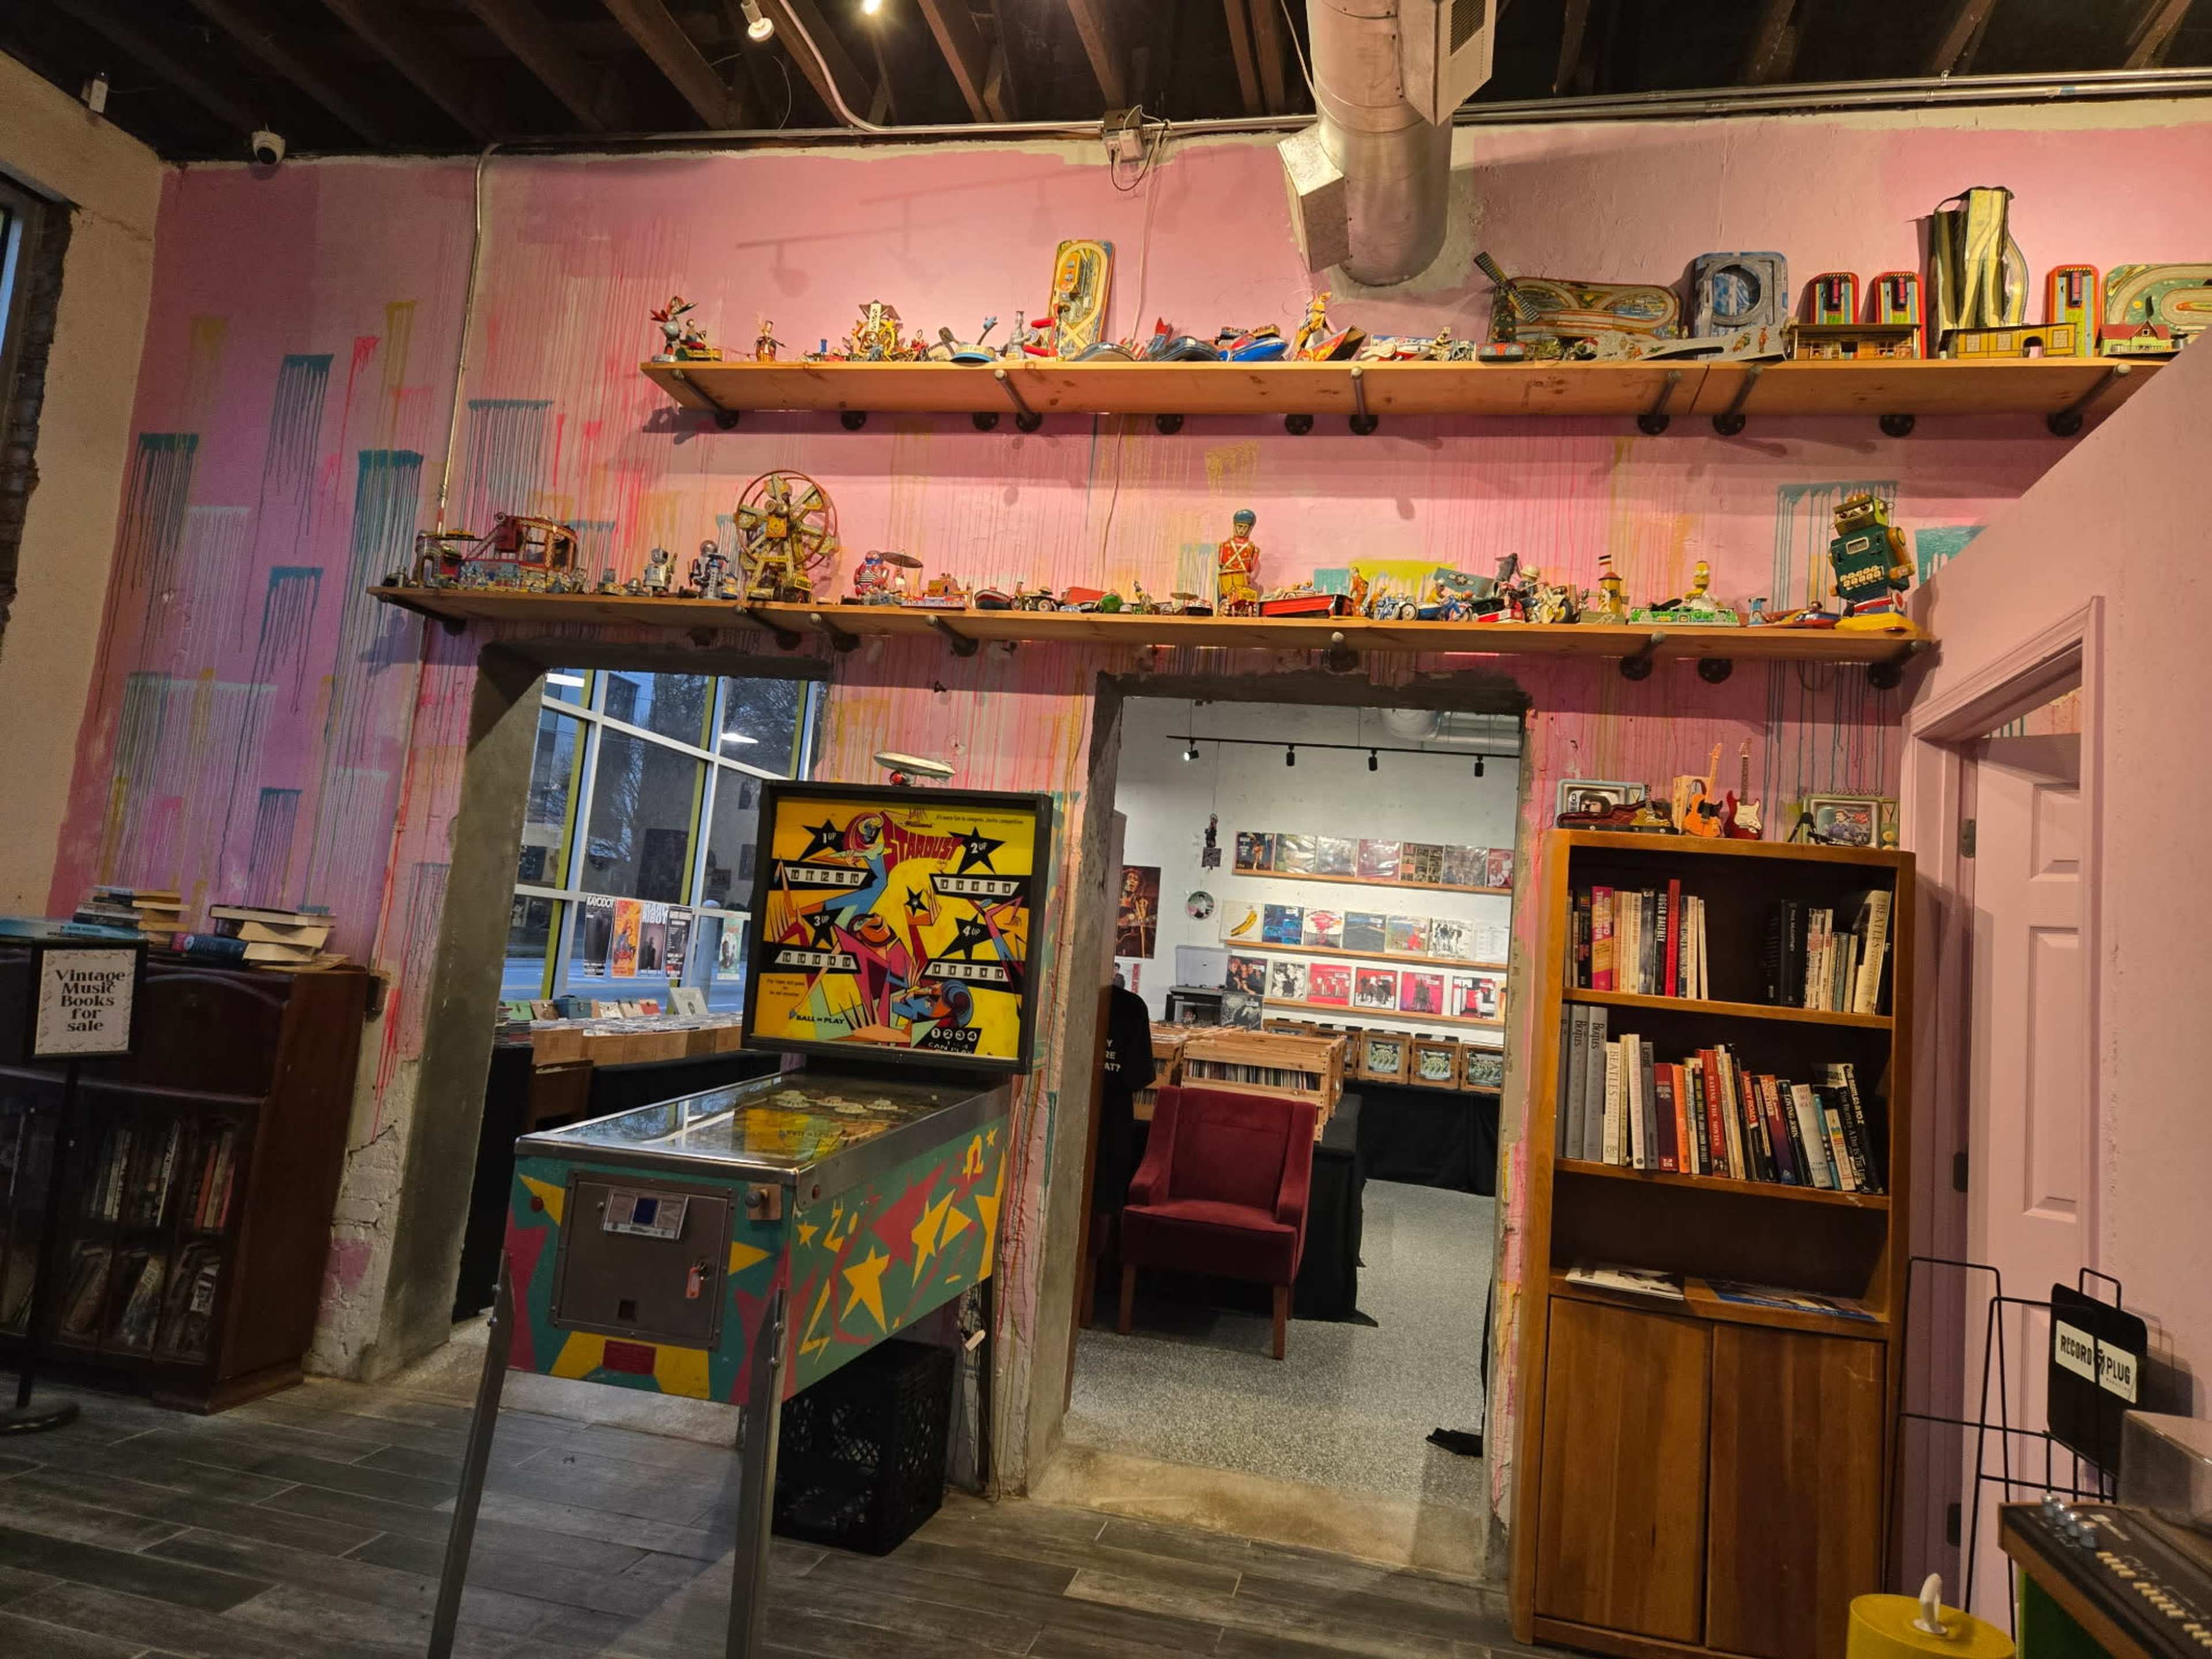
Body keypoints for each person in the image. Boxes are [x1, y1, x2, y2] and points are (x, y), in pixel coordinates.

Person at [1216, 509, 1260, 614]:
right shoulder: (1224, 546)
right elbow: (1221, 565)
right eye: (1240, 527)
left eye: (1245, 528)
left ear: (1250, 529)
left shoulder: (1254, 549)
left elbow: (1251, 569)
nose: (1241, 530)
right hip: (1228, 583)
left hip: (1242, 583)